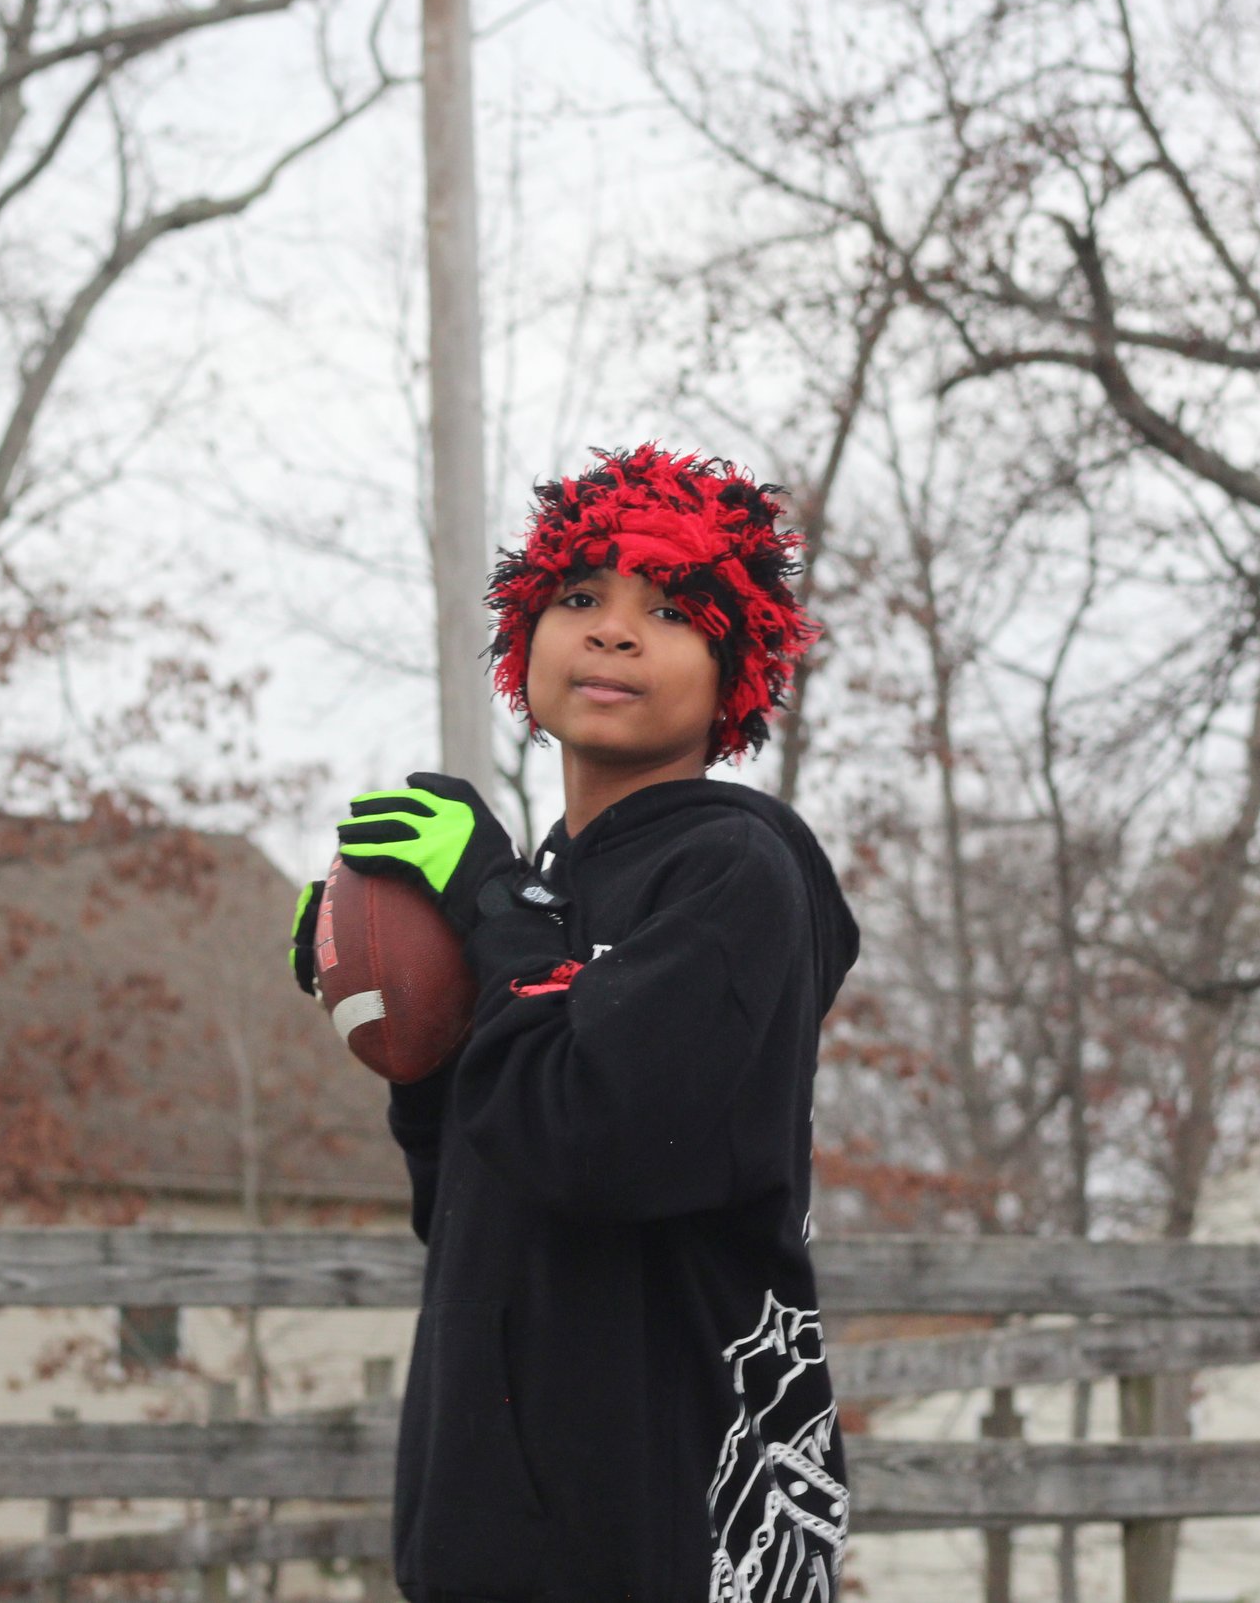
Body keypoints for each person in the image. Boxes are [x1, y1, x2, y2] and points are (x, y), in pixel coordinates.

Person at [288, 444, 861, 1602]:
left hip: (672, 1530)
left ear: (734, 666)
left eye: (670, 610)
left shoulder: (736, 871)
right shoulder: (538, 894)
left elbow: (596, 1138)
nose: (612, 631)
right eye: (581, 596)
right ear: (526, 635)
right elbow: (468, 1197)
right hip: (489, 1535)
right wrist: (402, 1007)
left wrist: (489, 907)